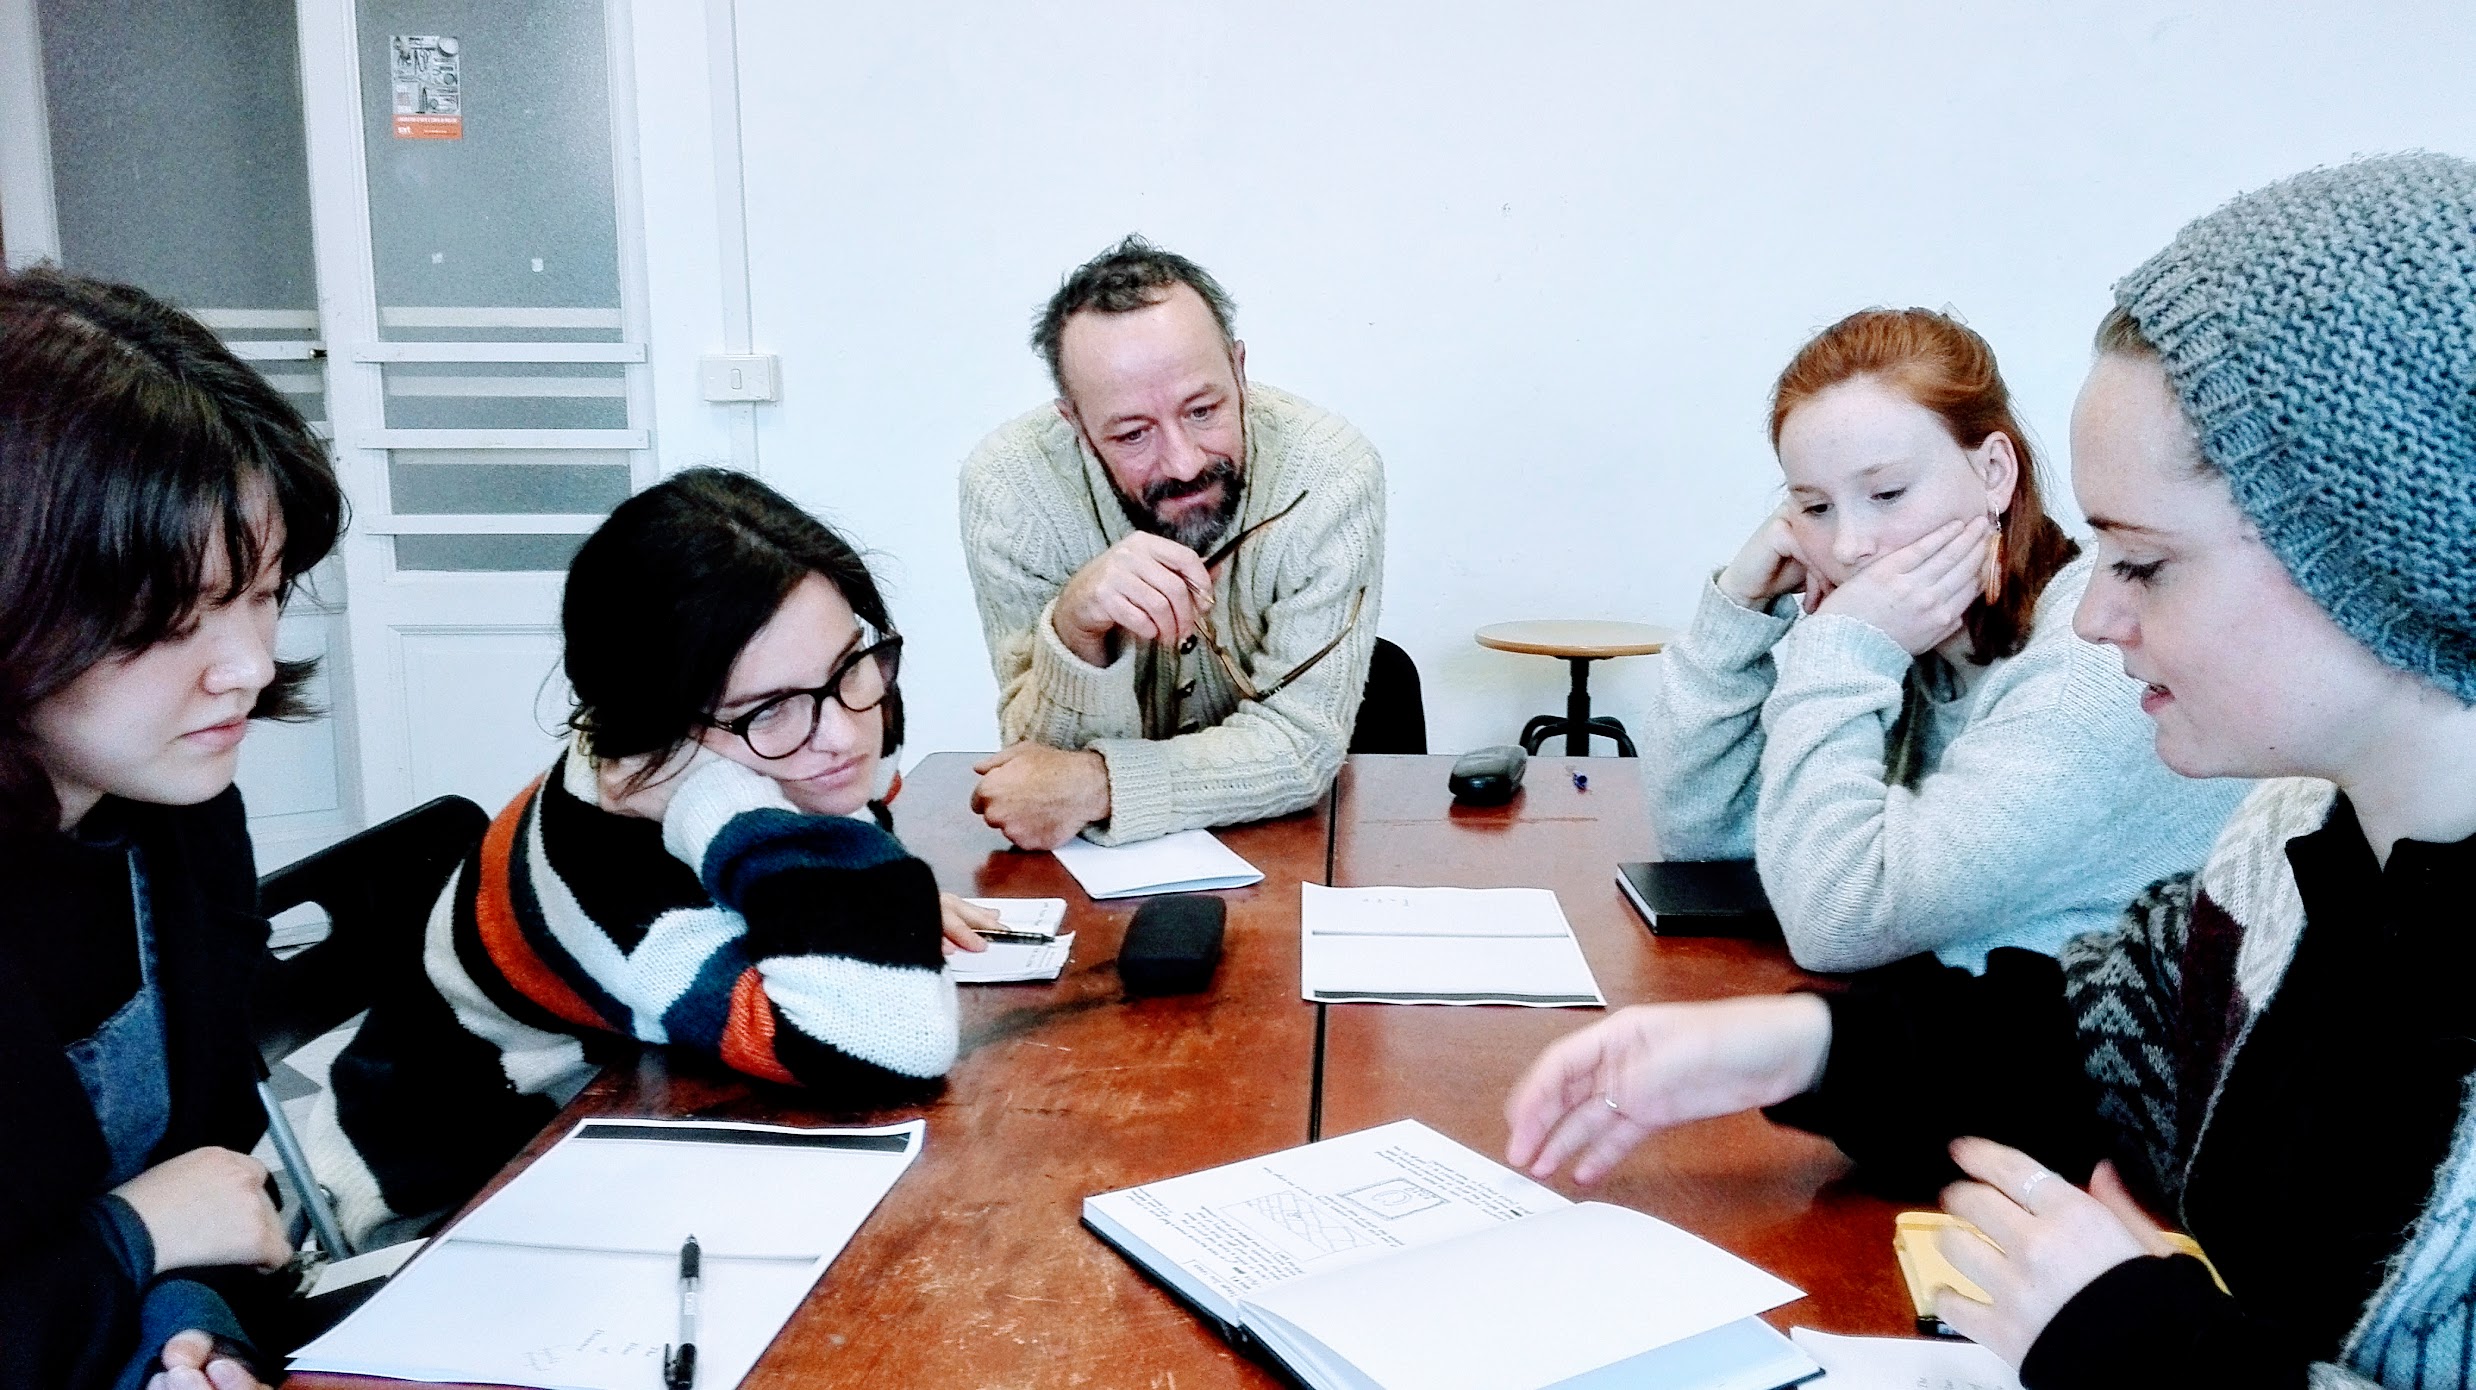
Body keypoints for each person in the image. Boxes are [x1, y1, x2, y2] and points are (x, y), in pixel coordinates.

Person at [1507, 152, 2476, 1388]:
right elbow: (2086, 1043)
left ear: (2375, 558)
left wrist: (2145, 1347)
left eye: (2144, 563)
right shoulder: (2293, 839)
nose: (2096, 617)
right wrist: (1789, 1044)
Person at [308, 468, 981, 1247]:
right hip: (453, 1202)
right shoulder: (605, 879)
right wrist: (731, 813)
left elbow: (858, 817)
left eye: (848, 664)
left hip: (628, 1118)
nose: (841, 734)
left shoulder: (795, 737)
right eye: (766, 708)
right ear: (659, 730)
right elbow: (890, 1040)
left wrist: (854, 903)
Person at [1642, 307, 2246, 972]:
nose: (1848, 546)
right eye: (1815, 507)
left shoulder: (2084, 676)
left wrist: (1844, 650)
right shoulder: (1925, 644)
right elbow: (1709, 841)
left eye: (1887, 493)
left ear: (1994, 472)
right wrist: (1739, 607)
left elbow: (1834, 923)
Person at [0, 269, 345, 1390]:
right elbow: (166, 1208)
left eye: (263, 592)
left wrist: (192, 1330)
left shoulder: (175, 814)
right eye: (174, 617)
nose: (248, 667)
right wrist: (131, 1239)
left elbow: (215, 1173)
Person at [959, 236, 1386, 849]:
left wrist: (1103, 784)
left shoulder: (1329, 472)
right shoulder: (1010, 487)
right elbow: (1038, 780)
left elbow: (1302, 747)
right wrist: (1075, 629)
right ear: (1075, 423)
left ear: (1239, 370)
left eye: (1203, 410)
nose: (1184, 463)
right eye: (1133, 434)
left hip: (1290, 849)